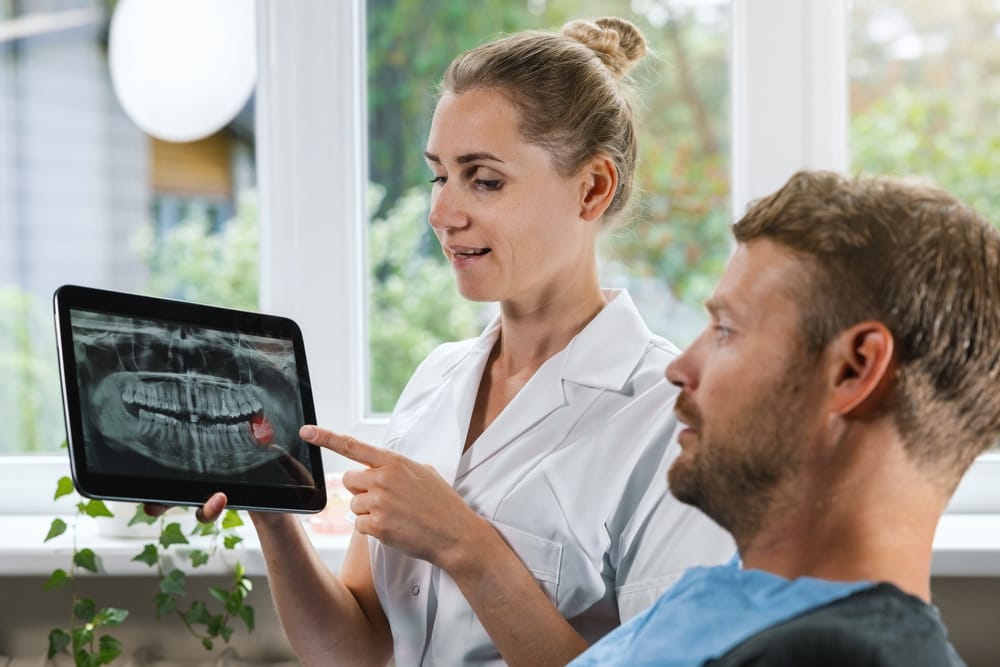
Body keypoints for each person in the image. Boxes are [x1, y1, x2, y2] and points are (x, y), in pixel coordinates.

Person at [150, 17, 734, 667]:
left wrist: (466, 545)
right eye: (439, 176)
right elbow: (358, 649)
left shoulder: (668, 418)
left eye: (483, 179)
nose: (441, 212)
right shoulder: (437, 380)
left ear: (592, 187)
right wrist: (274, 515)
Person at [567, 169, 1000, 666]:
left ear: (854, 370)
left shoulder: (835, 658)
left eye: (726, 330)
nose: (679, 368)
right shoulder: (732, 604)